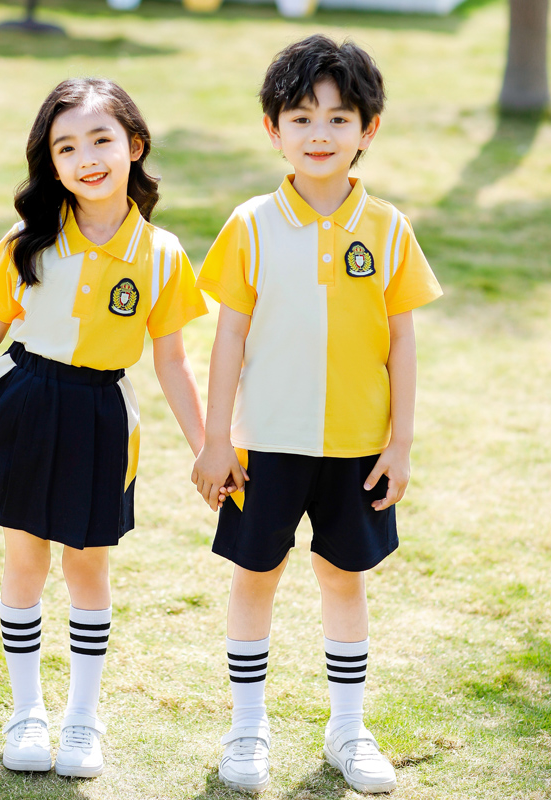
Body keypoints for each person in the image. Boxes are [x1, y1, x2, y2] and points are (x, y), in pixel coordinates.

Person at [0, 78, 208, 778]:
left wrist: (208, 446)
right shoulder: (31, 240)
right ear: (52, 162)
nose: (87, 157)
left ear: (134, 146)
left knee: (87, 563)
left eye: (101, 140)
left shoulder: (163, 255)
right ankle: (26, 712)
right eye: (65, 146)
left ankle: (82, 718)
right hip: (25, 402)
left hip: (101, 414)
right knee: (24, 557)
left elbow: (172, 361)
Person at [191, 35, 442, 795]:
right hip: (264, 443)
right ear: (274, 130)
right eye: (301, 118)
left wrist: (400, 445)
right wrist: (214, 439)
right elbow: (228, 337)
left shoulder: (390, 228)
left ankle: (347, 729)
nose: (320, 134)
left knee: (343, 578)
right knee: (254, 576)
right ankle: (246, 730)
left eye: (340, 118)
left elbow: (401, 343)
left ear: (369, 129)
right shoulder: (250, 224)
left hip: (358, 446)